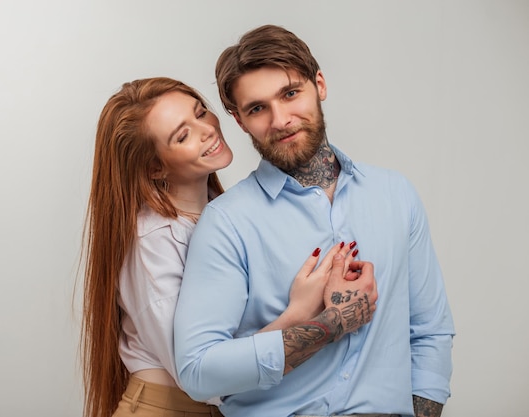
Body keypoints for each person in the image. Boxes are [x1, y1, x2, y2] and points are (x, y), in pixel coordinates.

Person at [174, 25, 455, 417]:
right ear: (240, 122)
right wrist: (330, 325)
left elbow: (429, 332)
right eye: (257, 108)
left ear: (319, 84)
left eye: (290, 93)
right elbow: (198, 371)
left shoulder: (396, 194)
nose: (281, 119)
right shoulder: (226, 223)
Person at [80, 77, 366, 417]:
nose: (207, 130)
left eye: (201, 113)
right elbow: (201, 375)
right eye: (183, 135)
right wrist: (301, 313)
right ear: (155, 167)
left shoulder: (227, 213)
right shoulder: (152, 242)